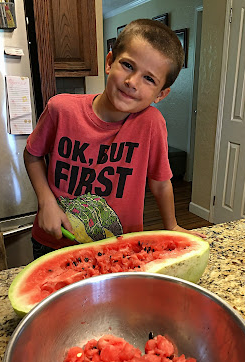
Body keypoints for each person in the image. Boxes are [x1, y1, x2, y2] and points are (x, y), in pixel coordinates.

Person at [24, 18, 205, 259]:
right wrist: (46, 202)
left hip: (119, 249)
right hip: (55, 242)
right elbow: (32, 154)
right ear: (109, 62)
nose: (132, 82)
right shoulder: (61, 109)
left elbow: (160, 182)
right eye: (128, 65)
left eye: (149, 79)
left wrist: (171, 226)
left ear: (161, 94)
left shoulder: (151, 124)